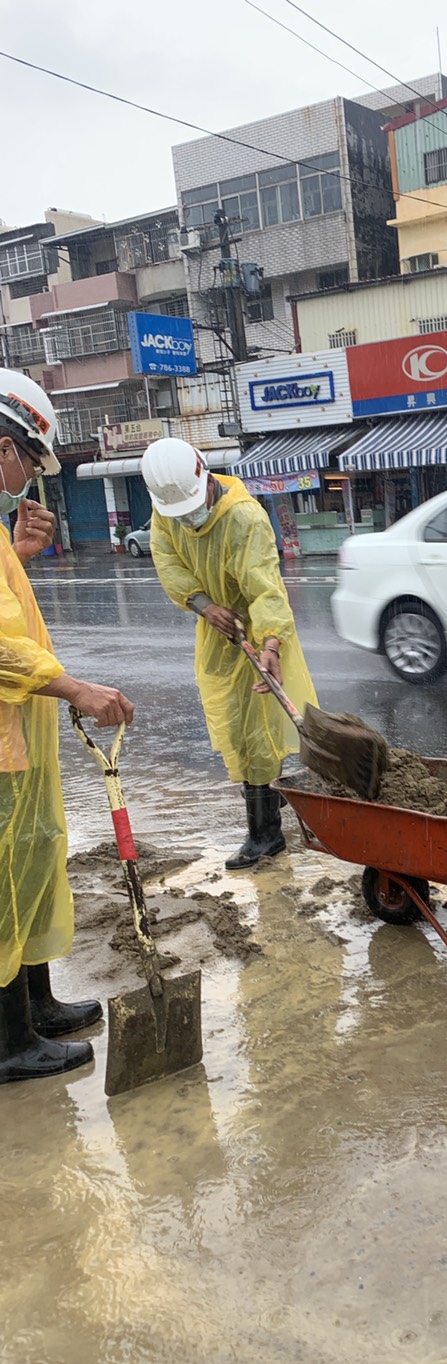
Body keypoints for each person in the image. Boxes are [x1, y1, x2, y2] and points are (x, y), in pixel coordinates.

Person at [0, 370, 135, 1086]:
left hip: (19, 738)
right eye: (29, 462)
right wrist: (77, 688)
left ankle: (35, 1008)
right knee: (2, 883)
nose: (29, 481)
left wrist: (18, 555)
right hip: (2, 745)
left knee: (30, 862)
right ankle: (7, 1043)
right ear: (3, 448)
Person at [142, 438, 318, 870]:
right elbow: (167, 562)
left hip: (259, 633)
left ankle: (266, 835)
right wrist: (204, 605)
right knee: (238, 732)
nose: (187, 518)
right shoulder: (167, 509)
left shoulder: (244, 518)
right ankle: (271, 810)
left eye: (190, 507)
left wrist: (271, 643)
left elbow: (266, 587)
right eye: (177, 513)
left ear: (206, 478)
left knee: (260, 735)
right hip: (217, 634)